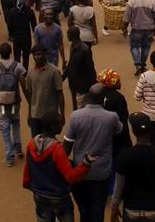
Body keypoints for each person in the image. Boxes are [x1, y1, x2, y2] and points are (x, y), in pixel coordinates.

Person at [64, 83, 124, 222]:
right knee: (98, 208)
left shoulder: (75, 116)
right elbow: (119, 130)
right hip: (101, 171)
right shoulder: (111, 117)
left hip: (80, 170)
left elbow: (67, 146)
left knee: (83, 208)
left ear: (88, 98)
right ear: (103, 100)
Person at [23, 111, 95, 222]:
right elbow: (71, 177)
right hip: (59, 198)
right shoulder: (57, 149)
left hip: (40, 195)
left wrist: (31, 186)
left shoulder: (31, 144)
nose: (61, 124)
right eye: (59, 122)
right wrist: (86, 164)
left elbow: (28, 171)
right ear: (53, 127)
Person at [110, 112, 155, 222]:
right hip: (154, 210)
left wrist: (114, 208)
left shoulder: (125, 155)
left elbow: (118, 186)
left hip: (131, 210)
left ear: (134, 132)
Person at [0, 42, 29, 167]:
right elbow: (23, 84)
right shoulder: (18, 66)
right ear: (10, 52)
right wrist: (28, 99)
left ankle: (9, 157)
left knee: (4, 129)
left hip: (1, 102)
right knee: (16, 122)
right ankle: (18, 149)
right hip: (15, 102)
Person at [99, 69, 133, 179]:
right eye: (117, 81)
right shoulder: (118, 98)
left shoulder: (98, 96)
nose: (120, 83)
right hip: (117, 136)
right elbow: (123, 119)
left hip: (102, 135)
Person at [26, 45, 65, 137]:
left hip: (49, 117)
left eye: (39, 54)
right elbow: (30, 96)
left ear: (45, 54)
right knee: (35, 143)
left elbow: (60, 94)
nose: (36, 57)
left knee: (48, 143)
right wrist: (29, 114)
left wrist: (62, 114)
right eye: (34, 55)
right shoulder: (31, 73)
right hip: (35, 115)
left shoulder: (54, 71)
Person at [124, 0, 155, 76]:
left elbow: (127, 15)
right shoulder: (153, 0)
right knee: (146, 47)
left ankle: (138, 65)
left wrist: (125, 27)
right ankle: (143, 64)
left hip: (136, 27)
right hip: (149, 28)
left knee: (134, 47)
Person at [64, 27, 97, 110]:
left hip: (82, 85)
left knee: (81, 108)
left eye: (68, 34)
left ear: (71, 35)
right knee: (75, 108)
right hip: (74, 84)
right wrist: (63, 76)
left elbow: (90, 67)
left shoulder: (84, 49)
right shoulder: (73, 46)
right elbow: (71, 64)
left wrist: (93, 83)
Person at [7, 0, 37, 70]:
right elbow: (34, 26)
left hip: (16, 37)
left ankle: (17, 72)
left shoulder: (12, 11)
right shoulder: (29, 11)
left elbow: (9, 26)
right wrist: (35, 36)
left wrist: (11, 34)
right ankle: (24, 73)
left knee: (17, 56)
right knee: (26, 56)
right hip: (26, 37)